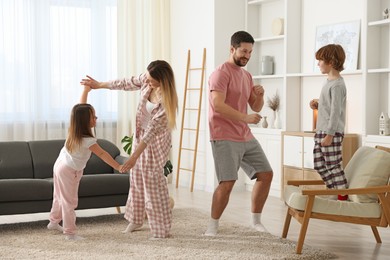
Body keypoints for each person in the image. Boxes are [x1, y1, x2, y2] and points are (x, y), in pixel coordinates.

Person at [80, 60, 178, 239]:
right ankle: (136, 218)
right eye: (146, 78)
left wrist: (132, 158)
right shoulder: (147, 80)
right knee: (136, 179)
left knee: (153, 182)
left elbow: (151, 134)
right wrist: (99, 85)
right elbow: (125, 83)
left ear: (162, 80)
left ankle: (161, 228)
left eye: (150, 81)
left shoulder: (166, 104)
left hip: (155, 143)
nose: (146, 82)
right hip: (140, 138)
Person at [205, 31, 273, 236]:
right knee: (227, 182)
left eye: (250, 52)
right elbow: (217, 105)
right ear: (232, 49)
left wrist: (260, 96)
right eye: (243, 51)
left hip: (245, 135)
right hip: (223, 134)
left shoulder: (246, 75)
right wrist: (245, 118)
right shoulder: (220, 73)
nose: (247, 55)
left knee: (266, 174)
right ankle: (212, 226)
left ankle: (255, 221)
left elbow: (255, 106)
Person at [47, 85, 124, 240]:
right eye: (93, 117)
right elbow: (102, 154)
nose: (96, 118)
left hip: (62, 165)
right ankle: (70, 233)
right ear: (85, 121)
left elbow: (80, 109)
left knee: (59, 196)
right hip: (68, 170)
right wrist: (118, 166)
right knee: (70, 201)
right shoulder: (87, 140)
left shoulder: (75, 130)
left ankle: (53, 222)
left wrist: (85, 92)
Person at [309, 44, 348, 201]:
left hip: (331, 132)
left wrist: (330, 135)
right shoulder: (328, 82)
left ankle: (343, 196)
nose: (318, 64)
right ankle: (335, 192)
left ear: (330, 62)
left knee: (333, 166)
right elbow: (329, 106)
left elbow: (336, 112)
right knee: (319, 165)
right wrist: (317, 104)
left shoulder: (338, 85)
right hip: (322, 130)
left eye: (320, 61)